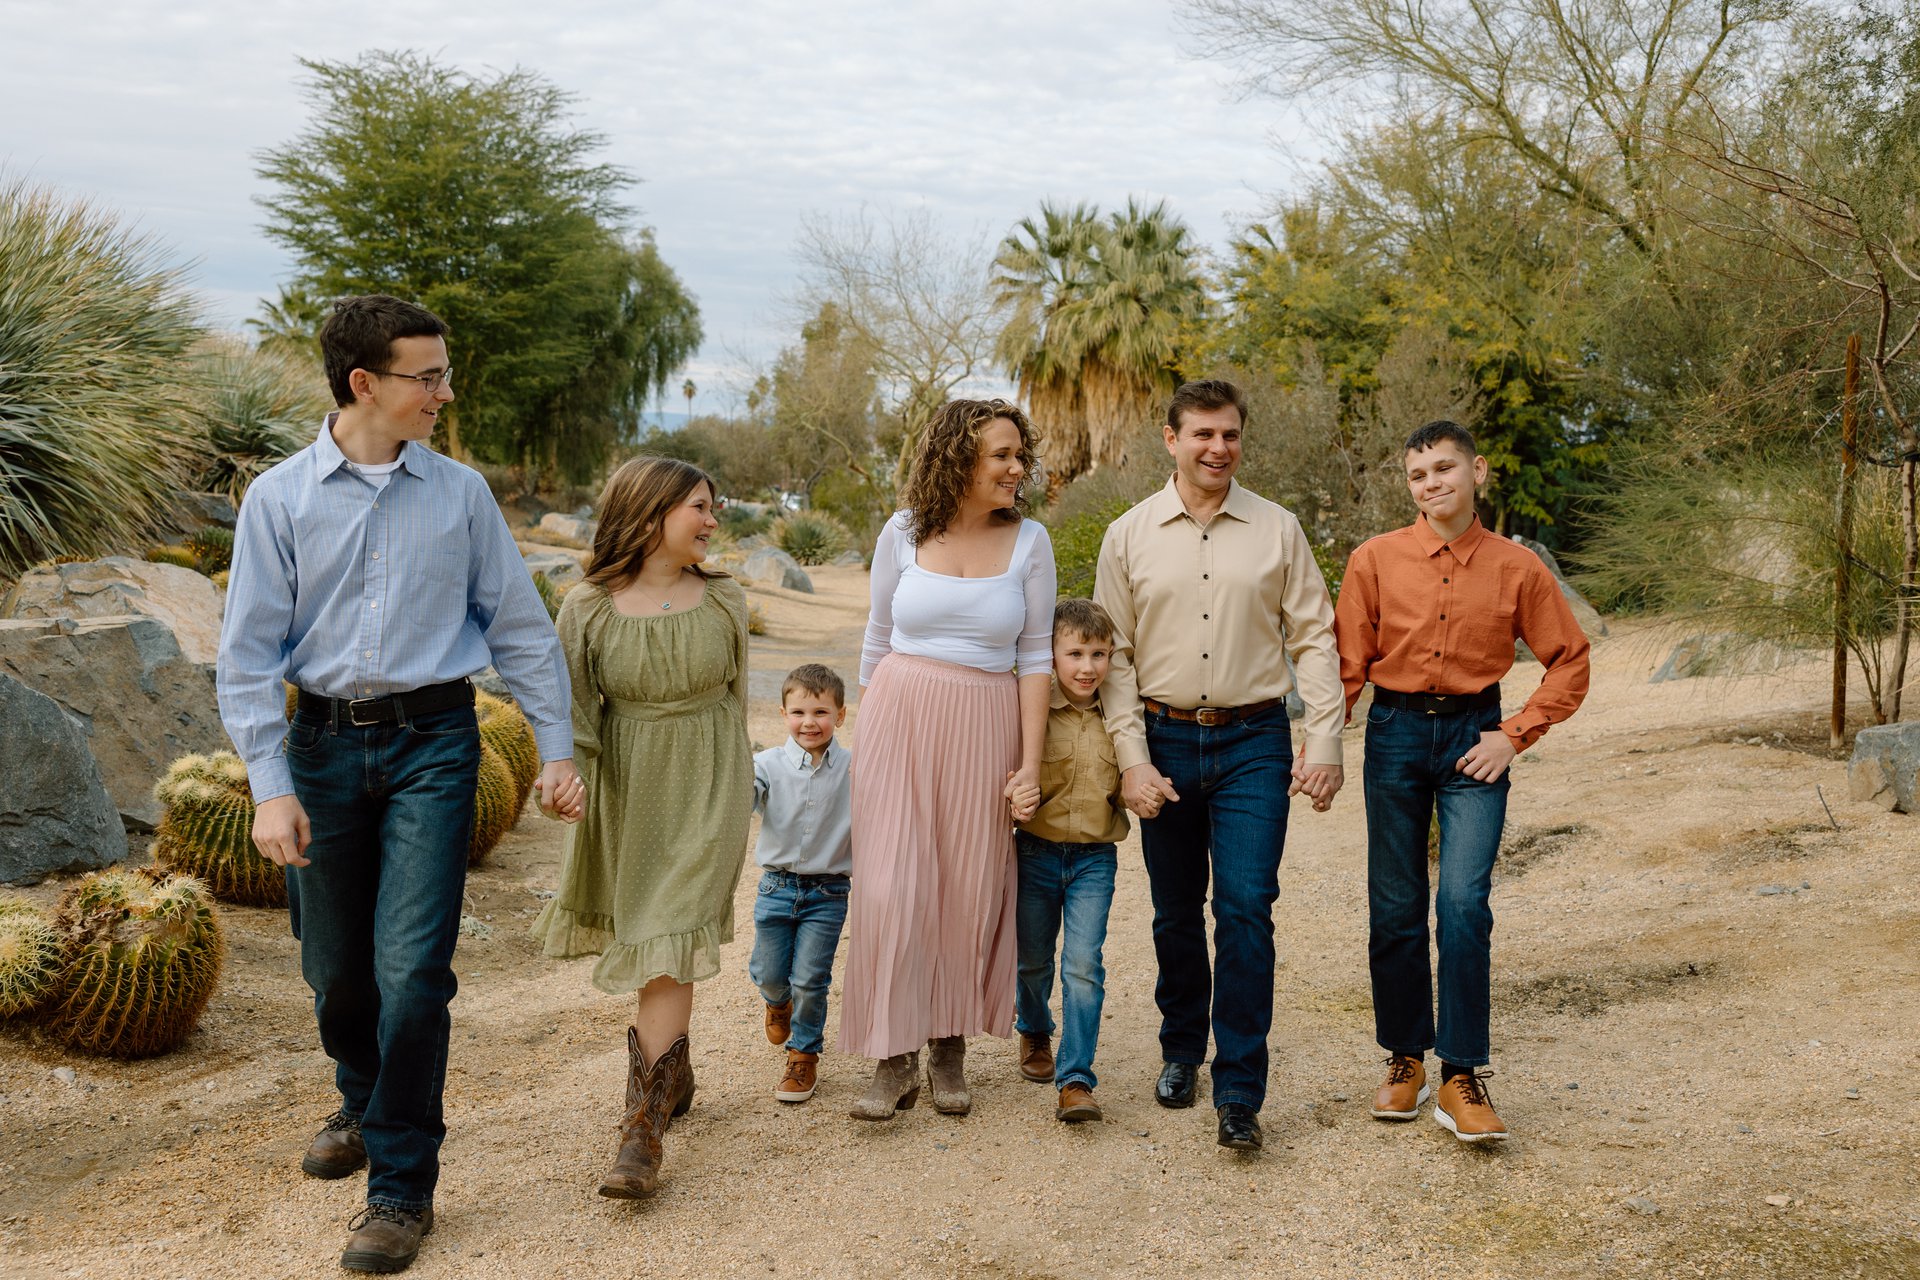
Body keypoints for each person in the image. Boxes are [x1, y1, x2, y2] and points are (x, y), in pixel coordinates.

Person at [217, 294, 584, 1274]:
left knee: (414, 972)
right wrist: (269, 783)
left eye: (443, 373)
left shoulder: (461, 495)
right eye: (428, 376)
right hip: (320, 749)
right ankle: (362, 1094)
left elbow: (519, 626)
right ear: (363, 383)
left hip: (436, 743)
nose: (444, 393)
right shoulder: (279, 499)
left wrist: (554, 748)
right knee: (335, 969)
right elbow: (247, 654)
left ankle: (400, 1185)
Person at [1093, 377, 1345, 1153]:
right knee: (1175, 912)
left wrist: (1326, 739)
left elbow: (1314, 636)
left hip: (1253, 742)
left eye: (1230, 434)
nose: (1218, 447)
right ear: (1172, 439)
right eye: (1202, 433)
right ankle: (1181, 1049)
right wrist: (1131, 760)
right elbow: (1115, 658)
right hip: (1163, 741)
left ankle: (1239, 1088)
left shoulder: (1278, 529)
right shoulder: (1127, 535)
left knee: (1244, 910)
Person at [1333, 420, 1591, 1143]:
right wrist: (1320, 746)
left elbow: (1570, 658)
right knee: (1395, 904)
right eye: (1418, 475)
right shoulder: (1374, 560)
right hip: (1394, 733)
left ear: (1476, 471)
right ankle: (1405, 1059)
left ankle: (1461, 1073)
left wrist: (1514, 735)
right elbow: (1347, 663)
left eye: (1444, 469)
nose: (1431, 484)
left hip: (1476, 738)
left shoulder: (1518, 567)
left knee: (1464, 904)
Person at [529, 456, 752, 1198]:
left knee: (669, 935)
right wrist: (562, 779)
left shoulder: (724, 599)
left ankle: (641, 1132)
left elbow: (735, 704)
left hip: (710, 786)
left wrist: (735, 796)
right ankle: (671, 1076)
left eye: (712, 507)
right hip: (630, 793)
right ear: (651, 513)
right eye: (699, 507)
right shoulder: (586, 607)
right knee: (656, 938)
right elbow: (573, 715)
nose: (712, 520)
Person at [840, 398, 1055, 1121]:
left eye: (1020, 455)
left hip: (985, 721)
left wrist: (1029, 765)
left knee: (967, 885)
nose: (1017, 467)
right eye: (1002, 455)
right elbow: (877, 636)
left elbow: (1035, 658)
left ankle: (947, 1045)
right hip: (899, 716)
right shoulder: (902, 532)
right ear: (959, 458)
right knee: (890, 886)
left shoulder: (1030, 542)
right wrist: (867, 737)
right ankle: (891, 1054)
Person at [1012, 598, 1129, 1124]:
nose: (1087, 667)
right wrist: (1014, 795)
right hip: (1035, 852)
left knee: (1083, 965)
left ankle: (1076, 1078)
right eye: (1075, 654)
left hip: (1094, 860)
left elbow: (1126, 782)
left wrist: (1140, 792)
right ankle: (1035, 1030)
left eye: (1098, 654)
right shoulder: (1031, 710)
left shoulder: (1122, 717)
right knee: (1033, 960)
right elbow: (1009, 772)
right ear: (1052, 655)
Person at [747, 663, 855, 1104]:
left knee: (811, 979)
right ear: (783, 714)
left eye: (821, 712)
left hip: (828, 892)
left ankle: (804, 1054)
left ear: (840, 715)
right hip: (776, 887)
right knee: (770, 973)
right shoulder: (766, 764)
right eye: (799, 712)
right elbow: (744, 796)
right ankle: (777, 1003)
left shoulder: (854, 767)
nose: (809, 722)